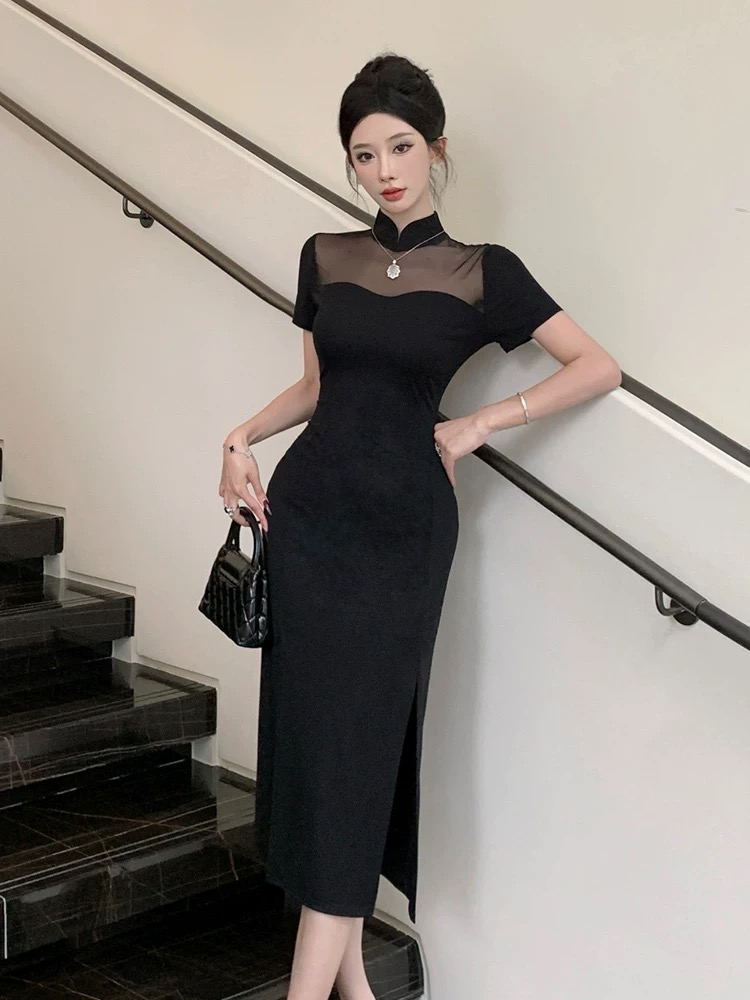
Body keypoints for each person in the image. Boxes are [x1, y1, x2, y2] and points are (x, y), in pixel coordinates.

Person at [218, 52, 621, 1000]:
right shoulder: (326, 256)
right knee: (321, 749)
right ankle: (353, 984)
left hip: (402, 535)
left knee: (362, 747)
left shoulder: (483, 272)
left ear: (437, 149)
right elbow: (318, 389)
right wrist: (238, 437)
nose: (384, 170)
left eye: (401, 147)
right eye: (365, 155)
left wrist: (482, 422)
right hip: (310, 519)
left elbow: (596, 366)